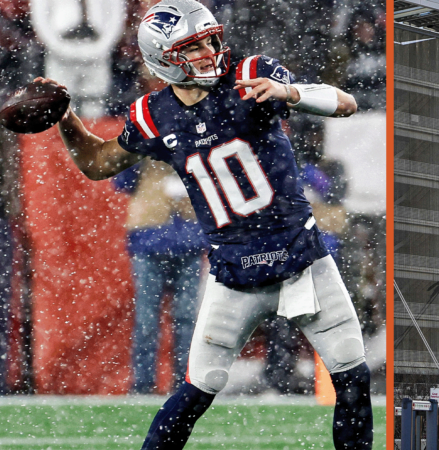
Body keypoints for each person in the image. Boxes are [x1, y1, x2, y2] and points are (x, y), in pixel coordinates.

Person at [42, 0, 372, 448]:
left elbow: (345, 103)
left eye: (211, 39)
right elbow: (100, 163)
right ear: (164, 58)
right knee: (195, 393)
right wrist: (67, 122)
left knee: (353, 382)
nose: (210, 51)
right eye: (194, 47)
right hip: (234, 275)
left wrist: (290, 93)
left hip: (304, 261)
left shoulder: (250, 75)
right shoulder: (153, 114)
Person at [112, 159, 206, 394]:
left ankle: (170, 382)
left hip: (175, 237)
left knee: (176, 318)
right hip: (162, 237)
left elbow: (122, 182)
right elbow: (121, 180)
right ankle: (150, 383)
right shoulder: (143, 142)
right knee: (153, 319)